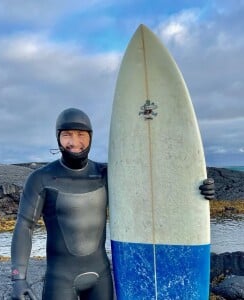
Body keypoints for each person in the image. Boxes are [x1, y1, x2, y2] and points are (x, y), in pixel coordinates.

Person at [11, 108, 215, 300]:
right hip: (60, 279)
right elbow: (24, 226)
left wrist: (195, 189)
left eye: (81, 134)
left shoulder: (105, 174)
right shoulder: (41, 178)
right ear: (58, 137)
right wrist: (19, 278)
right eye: (67, 134)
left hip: (100, 275)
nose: (75, 141)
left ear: (90, 137)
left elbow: (151, 191)